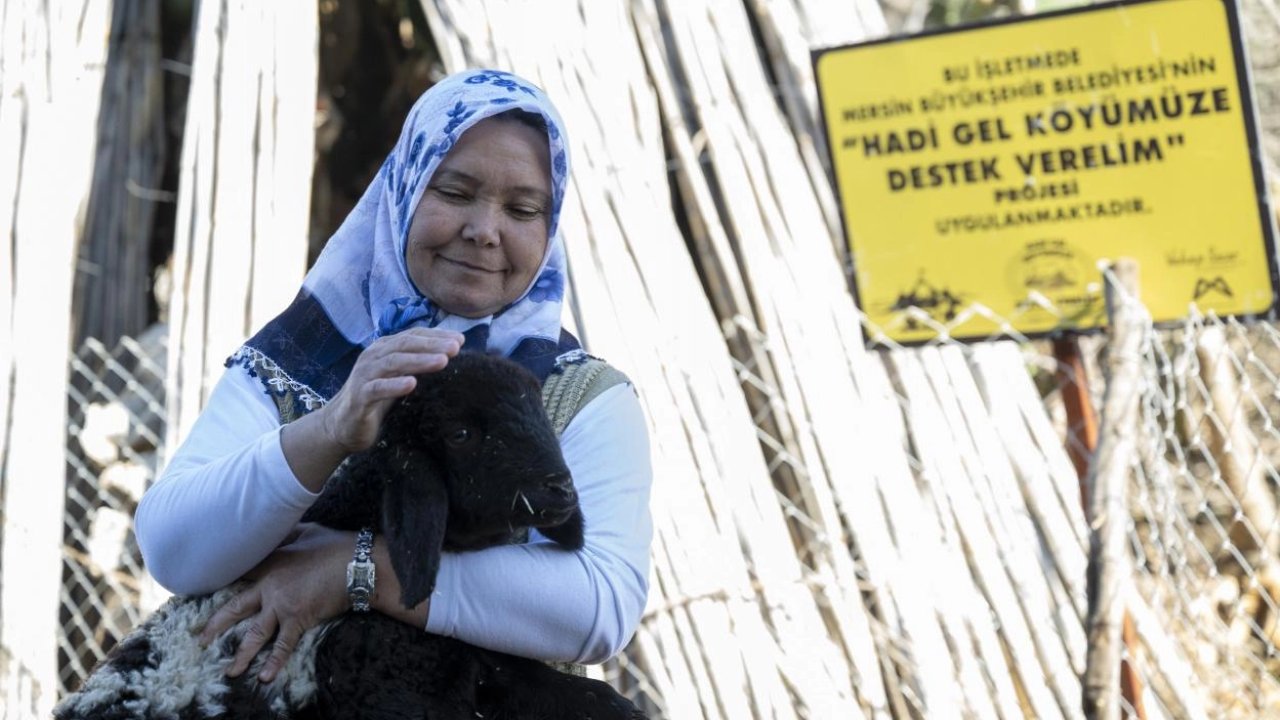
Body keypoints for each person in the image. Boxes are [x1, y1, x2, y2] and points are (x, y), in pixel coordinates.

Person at [134, 69, 654, 685]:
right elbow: (172, 549)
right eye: (454, 192)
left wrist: (356, 572)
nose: (485, 231)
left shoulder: (581, 398)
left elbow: (601, 604)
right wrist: (331, 428)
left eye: (522, 209)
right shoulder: (302, 358)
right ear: (403, 187)